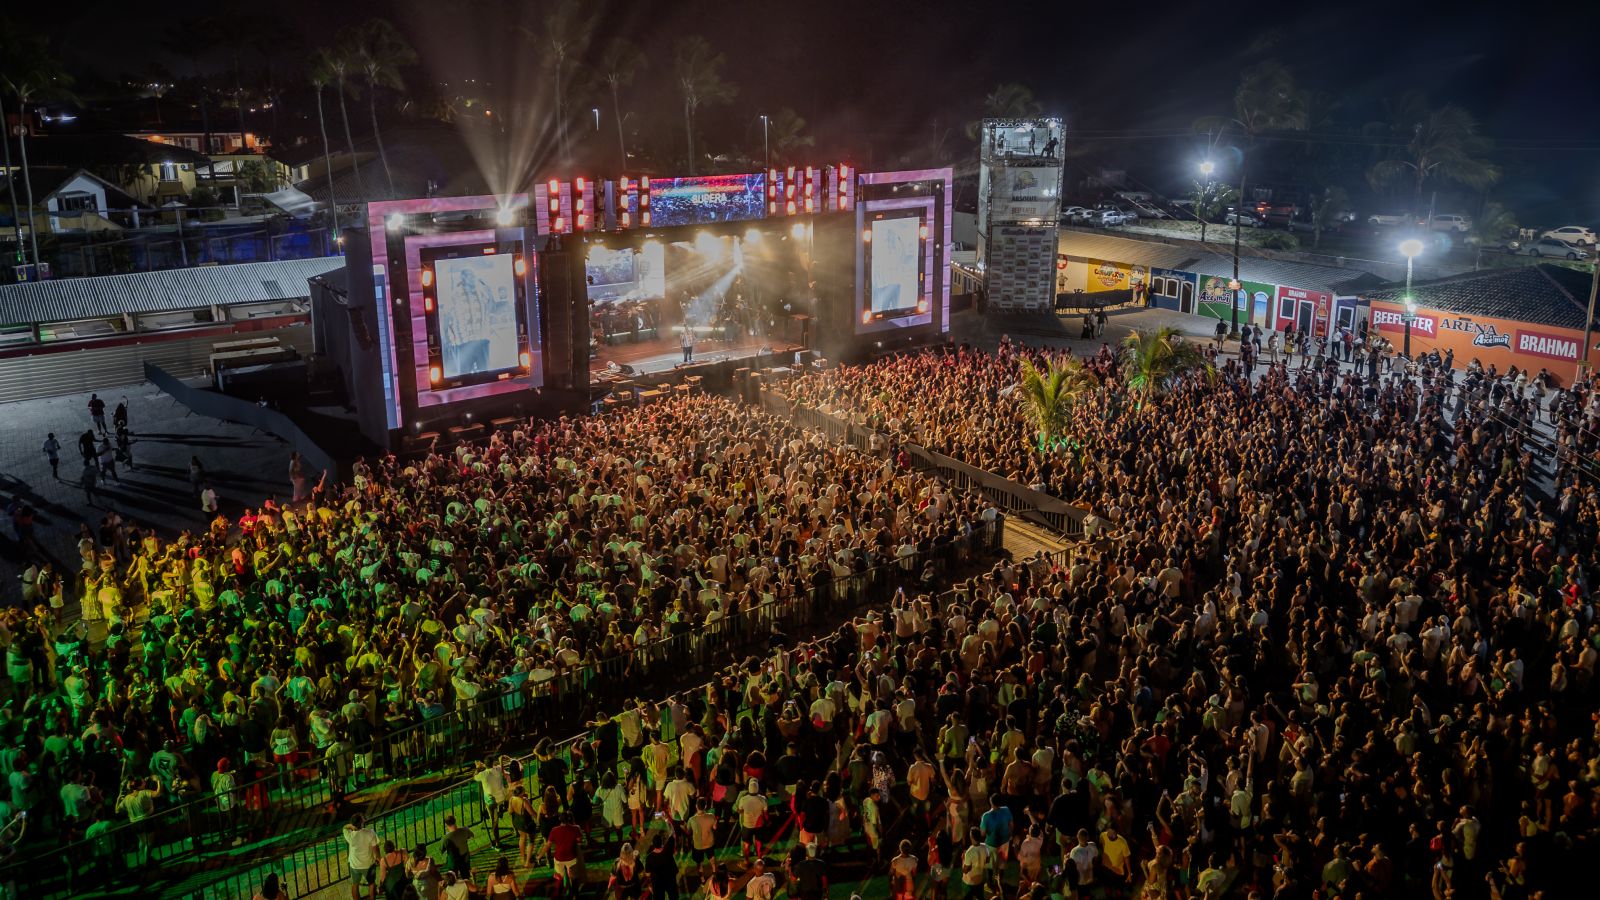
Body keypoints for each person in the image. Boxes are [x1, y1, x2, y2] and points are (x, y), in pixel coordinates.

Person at [345, 813, 382, 900]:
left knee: (355, 884)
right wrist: (379, 858)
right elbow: (375, 849)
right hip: (368, 864)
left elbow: (344, 828)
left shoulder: (350, 835)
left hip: (355, 864)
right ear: (361, 823)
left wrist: (350, 826)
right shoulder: (370, 833)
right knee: (371, 883)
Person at [442, 814, 474, 879]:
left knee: (453, 877)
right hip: (464, 858)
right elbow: (471, 835)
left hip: (453, 861)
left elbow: (441, 849)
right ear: (455, 821)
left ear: (446, 825)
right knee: (465, 876)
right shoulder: (465, 830)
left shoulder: (446, 838)